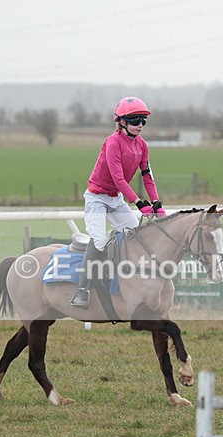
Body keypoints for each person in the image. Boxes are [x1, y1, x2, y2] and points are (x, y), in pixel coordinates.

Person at [70, 96, 166, 309]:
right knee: (99, 240)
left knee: (135, 233)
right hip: (97, 197)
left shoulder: (142, 145)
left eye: (144, 121)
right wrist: (140, 204)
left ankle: (126, 277)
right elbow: (118, 178)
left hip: (116, 199)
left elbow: (147, 176)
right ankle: (82, 289)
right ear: (122, 121)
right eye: (135, 121)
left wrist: (156, 203)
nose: (140, 125)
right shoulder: (112, 142)